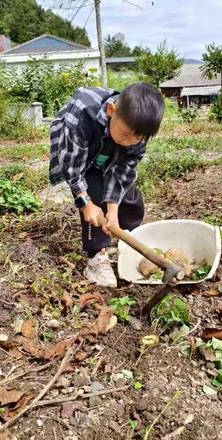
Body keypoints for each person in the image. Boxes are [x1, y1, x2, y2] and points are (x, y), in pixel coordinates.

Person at [49, 83, 165, 287]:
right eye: (126, 134)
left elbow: (123, 171)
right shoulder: (83, 112)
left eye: (137, 138)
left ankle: (125, 242)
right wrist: (86, 203)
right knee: (93, 189)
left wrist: (113, 210)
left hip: (108, 144)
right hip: (80, 146)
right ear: (112, 111)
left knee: (129, 198)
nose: (130, 142)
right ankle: (96, 256)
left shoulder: (136, 133)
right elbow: (73, 167)